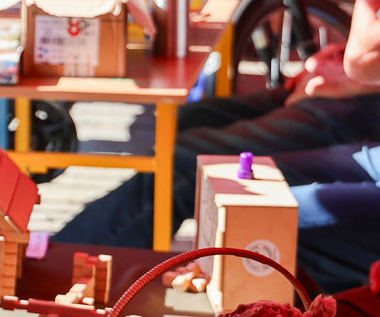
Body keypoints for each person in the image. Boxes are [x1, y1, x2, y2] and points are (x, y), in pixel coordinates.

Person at [53, 31, 380, 293]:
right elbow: (360, 55)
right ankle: (65, 261)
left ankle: (62, 266)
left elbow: (362, 57)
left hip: (361, 101)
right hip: (362, 117)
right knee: (188, 133)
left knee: (231, 202)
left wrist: (350, 68)